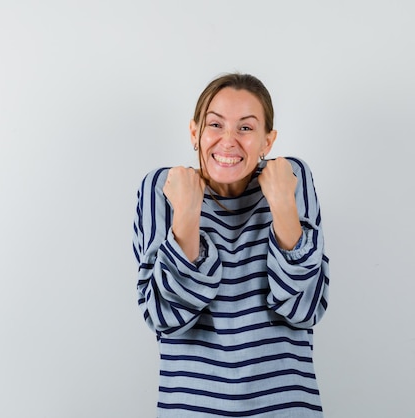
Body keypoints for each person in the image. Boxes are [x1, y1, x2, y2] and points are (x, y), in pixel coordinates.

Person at [132, 73, 330, 417]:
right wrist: (187, 214)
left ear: (268, 141)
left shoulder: (291, 178)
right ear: (195, 133)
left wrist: (282, 202)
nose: (228, 141)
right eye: (215, 124)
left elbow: (305, 309)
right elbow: (164, 315)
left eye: (246, 128)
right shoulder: (162, 189)